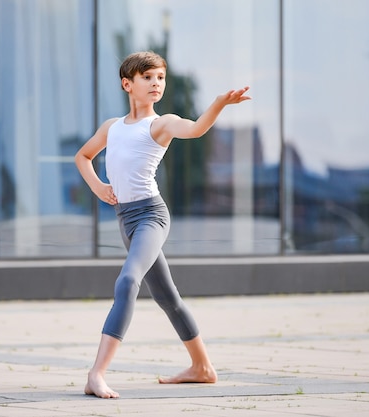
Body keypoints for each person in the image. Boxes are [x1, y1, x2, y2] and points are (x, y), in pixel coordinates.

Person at [74, 51, 251, 399]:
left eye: (160, 78)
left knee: (127, 281)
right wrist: (98, 187)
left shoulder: (161, 123)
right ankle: (202, 368)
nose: (157, 84)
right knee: (167, 297)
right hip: (125, 218)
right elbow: (83, 156)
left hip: (151, 216)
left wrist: (217, 104)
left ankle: (96, 374)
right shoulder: (111, 127)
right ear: (128, 84)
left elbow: (197, 128)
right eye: (148, 78)